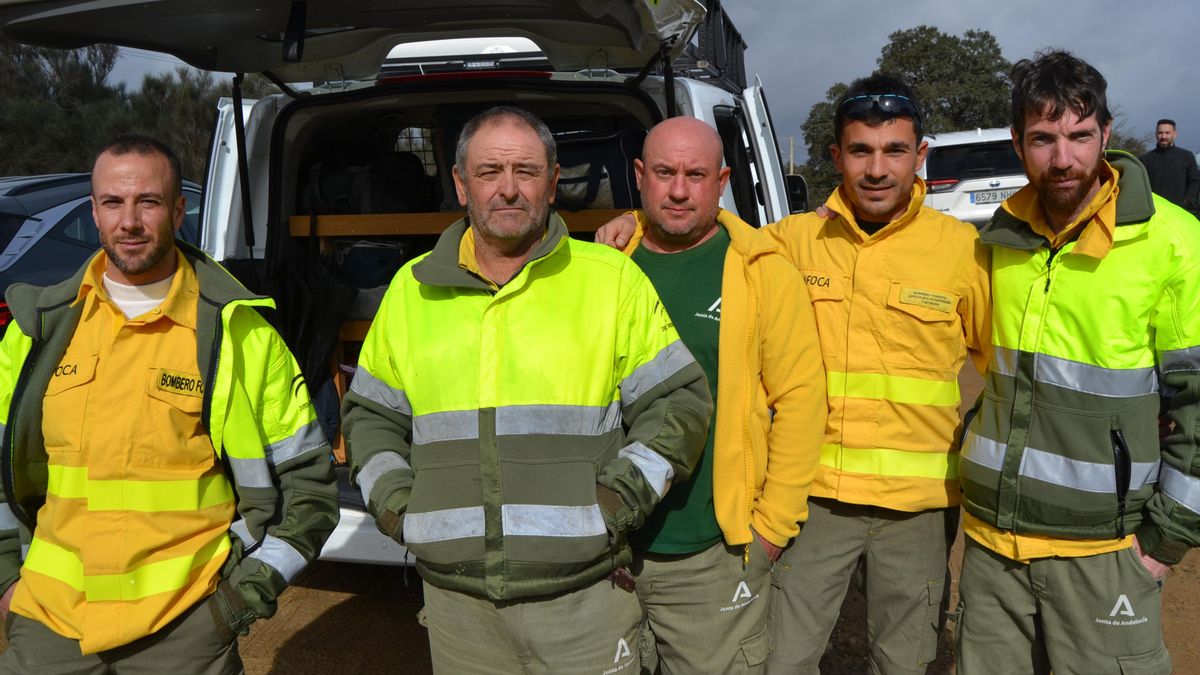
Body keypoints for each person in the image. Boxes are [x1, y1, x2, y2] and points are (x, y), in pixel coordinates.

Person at [598, 75, 990, 675]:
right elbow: (696, 221)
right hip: (818, 503)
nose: (878, 169)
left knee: (905, 659)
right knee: (779, 657)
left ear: (920, 156)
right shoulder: (789, 243)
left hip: (919, 508)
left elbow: (1006, 370)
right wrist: (629, 223)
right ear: (837, 157)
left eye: (894, 151)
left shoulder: (964, 251)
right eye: (861, 151)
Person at [340, 106, 712, 674]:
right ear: (461, 184)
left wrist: (616, 503)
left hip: (586, 601)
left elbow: (678, 403)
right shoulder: (410, 291)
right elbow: (369, 416)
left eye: (526, 171)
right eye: (489, 172)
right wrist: (397, 508)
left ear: (553, 181)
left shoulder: (608, 280)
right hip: (458, 610)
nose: (508, 190)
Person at [0, 135, 338, 672]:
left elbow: (311, 494)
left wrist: (235, 604)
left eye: (148, 202)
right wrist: (7, 582)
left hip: (184, 630)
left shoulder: (239, 335)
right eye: (113, 202)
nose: (129, 221)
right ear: (94, 210)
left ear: (179, 211)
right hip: (49, 625)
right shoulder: (38, 331)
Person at [957, 50, 1200, 675]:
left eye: (1078, 136)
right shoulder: (999, 240)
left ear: (1107, 135)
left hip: (1104, 553)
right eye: (1042, 139)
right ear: (1017, 143)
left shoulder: (1173, 242)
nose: (1062, 159)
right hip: (991, 548)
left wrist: (1162, 545)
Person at [612, 117, 826, 673]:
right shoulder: (607, 267)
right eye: (664, 172)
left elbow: (801, 401)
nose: (679, 190)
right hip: (610, 549)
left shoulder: (762, 270)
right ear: (640, 176)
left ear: (723, 179)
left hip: (713, 552)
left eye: (695, 174)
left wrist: (771, 529)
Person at [1139, 118, 1199, 211]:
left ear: (1175, 134)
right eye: (1160, 133)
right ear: (1156, 134)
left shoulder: (1186, 156)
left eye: (1167, 133)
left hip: (1180, 211)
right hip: (1154, 212)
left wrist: (1188, 200)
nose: (1163, 136)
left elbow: (1195, 181)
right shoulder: (1145, 159)